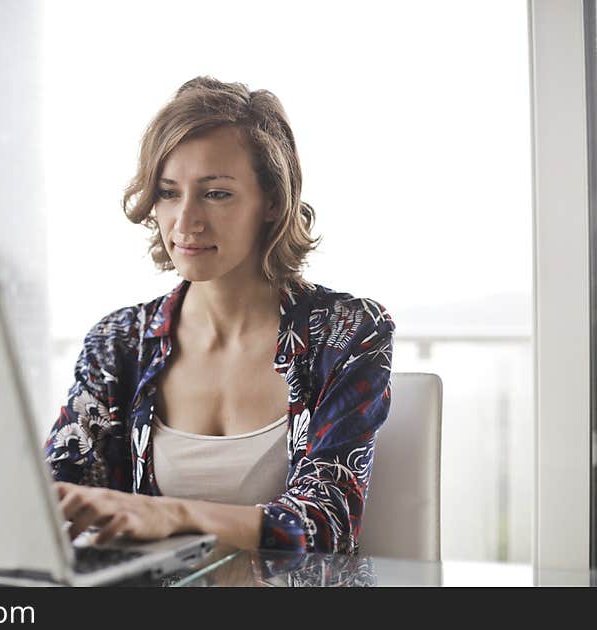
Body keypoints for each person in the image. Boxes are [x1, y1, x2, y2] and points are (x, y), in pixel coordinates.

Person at [44, 76, 394, 553]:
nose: (185, 222)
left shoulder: (345, 332)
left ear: (272, 201)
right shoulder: (120, 341)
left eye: (216, 194)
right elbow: (55, 496)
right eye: (168, 192)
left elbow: (328, 523)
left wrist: (172, 514)